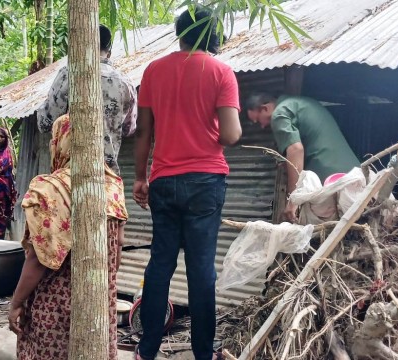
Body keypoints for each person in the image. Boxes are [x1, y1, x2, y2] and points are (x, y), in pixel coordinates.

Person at [132, 7, 242, 360]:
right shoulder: (222, 72)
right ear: (213, 34)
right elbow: (230, 134)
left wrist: (138, 177)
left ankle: (146, 350)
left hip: (163, 180)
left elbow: (144, 133)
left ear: (179, 33)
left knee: (159, 265)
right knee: (201, 270)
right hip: (205, 181)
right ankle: (202, 354)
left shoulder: (153, 70)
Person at [8, 115, 128, 359]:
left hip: (55, 307)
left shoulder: (50, 190)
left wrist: (16, 302)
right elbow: (117, 255)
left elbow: (37, 258)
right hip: (98, 305)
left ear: (59, 141)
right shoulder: (112, 185)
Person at [37, 24, 137, 174]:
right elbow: (129, 129)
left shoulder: (69, 74)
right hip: (107, 176)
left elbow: (44, 123)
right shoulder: (126, 83)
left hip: (70, 175)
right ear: (109, 53)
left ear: (81, 46)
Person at [245, 93, 360, 222]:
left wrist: (293, 199)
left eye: (259, 120)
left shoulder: (279, 114)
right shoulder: (300, 103)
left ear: (265, 108)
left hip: (333, 179)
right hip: (355, 173)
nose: (262, 126)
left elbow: (296, 149)